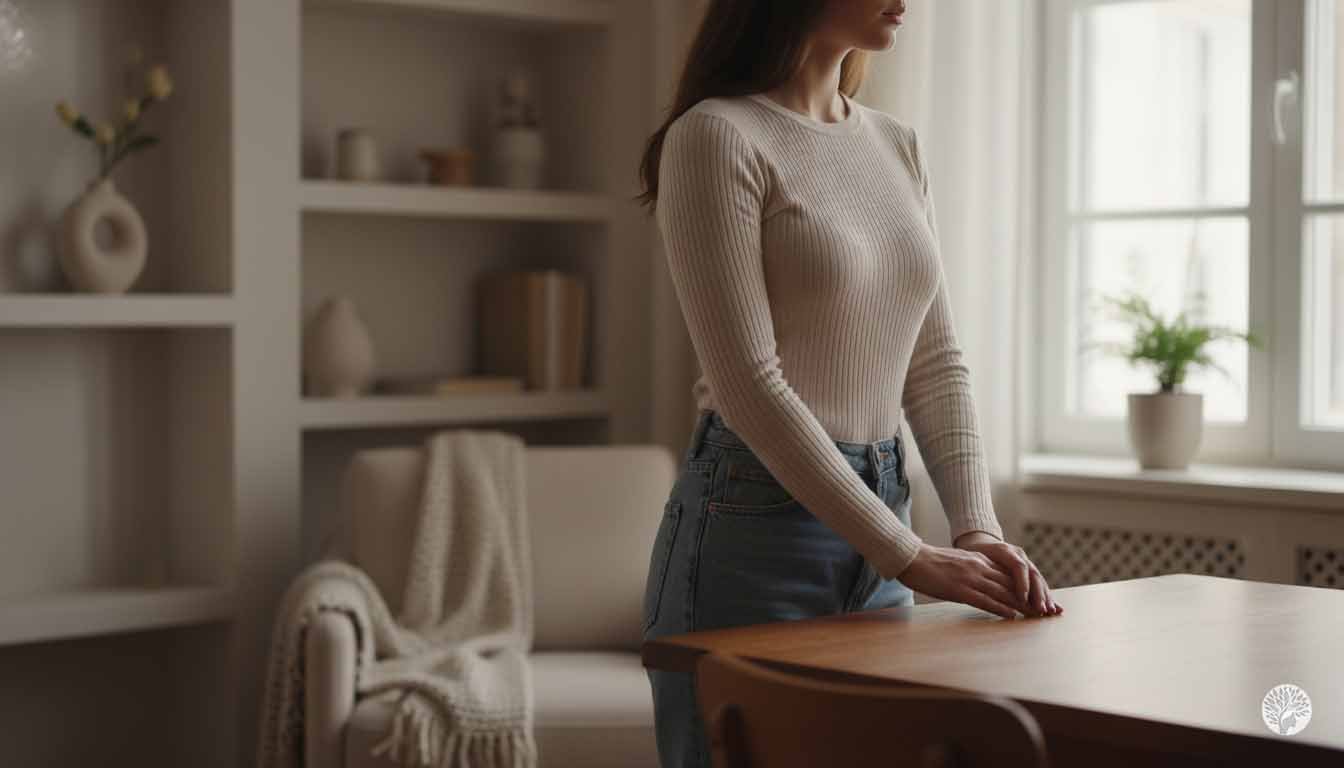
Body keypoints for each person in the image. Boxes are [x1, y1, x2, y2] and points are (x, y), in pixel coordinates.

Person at [633, 1, 1062, 766]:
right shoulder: (715, 136)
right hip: (751, 535)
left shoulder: (896, 144)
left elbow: (934, 362)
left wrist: (976, 529)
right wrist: (909, 554)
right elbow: (751, 386)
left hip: (879, 529)